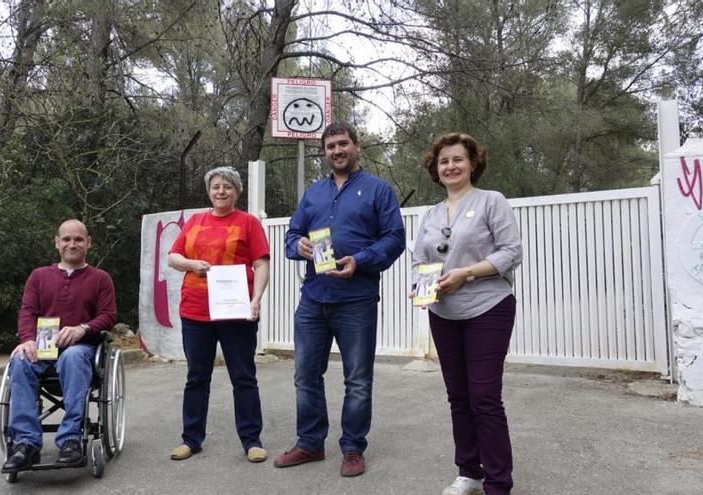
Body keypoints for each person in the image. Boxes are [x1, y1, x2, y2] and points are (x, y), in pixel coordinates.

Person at [275, 122, 405, 477]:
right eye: (330, 146)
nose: (337, 150)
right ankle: (310, 443)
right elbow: (292, 234)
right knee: (305, 375)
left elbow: (394, 238)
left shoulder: (378, 190)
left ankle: (352, 448)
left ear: (357, 146)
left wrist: (359, 260)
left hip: (356, 299)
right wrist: (297, 246)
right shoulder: (313, 193)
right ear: (325, 151)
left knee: (358, 379)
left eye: (343, 143)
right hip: (313, 298)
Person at [411, 133, 522, 495]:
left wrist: (467, 273)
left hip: (488, 308)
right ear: (436, 169)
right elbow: (420, 261)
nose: (450, 166)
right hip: (443, 314)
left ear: (473, 163)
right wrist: (419, 285)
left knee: (484, 397)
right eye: (444, 161)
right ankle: (469, 472)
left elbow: (511, 252)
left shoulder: (492, 201)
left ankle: (498, 483)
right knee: (458, 396)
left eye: (458, 159)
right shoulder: (430, 214)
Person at [167, 166, 271, 463]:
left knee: (243, 376)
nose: (221, 191)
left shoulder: (248, 223)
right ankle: (191, 439)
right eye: (215, 186)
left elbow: (261, 264)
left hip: (236, 312)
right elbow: (174, 257)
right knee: (197, 377)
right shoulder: (195, 222)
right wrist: (191, 265)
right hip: (196, 311)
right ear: (209, 191)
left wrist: (256, 299)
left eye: (227, 186)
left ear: (237, 191)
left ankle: (252, 440)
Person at [1, 219, 117, 472]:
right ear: (57, 243)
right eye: (66, 239)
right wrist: (27, 340)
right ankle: (25, 444)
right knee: (20, 360)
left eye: (78, 239)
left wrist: (82, 328)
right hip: (44, 342)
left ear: (88, 243)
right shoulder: (39, 276)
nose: (71, 244)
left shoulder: (100, 278)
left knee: (73, 357)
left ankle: (71, 439)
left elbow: (108, 315)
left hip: (82, 347)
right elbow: (27, 312)